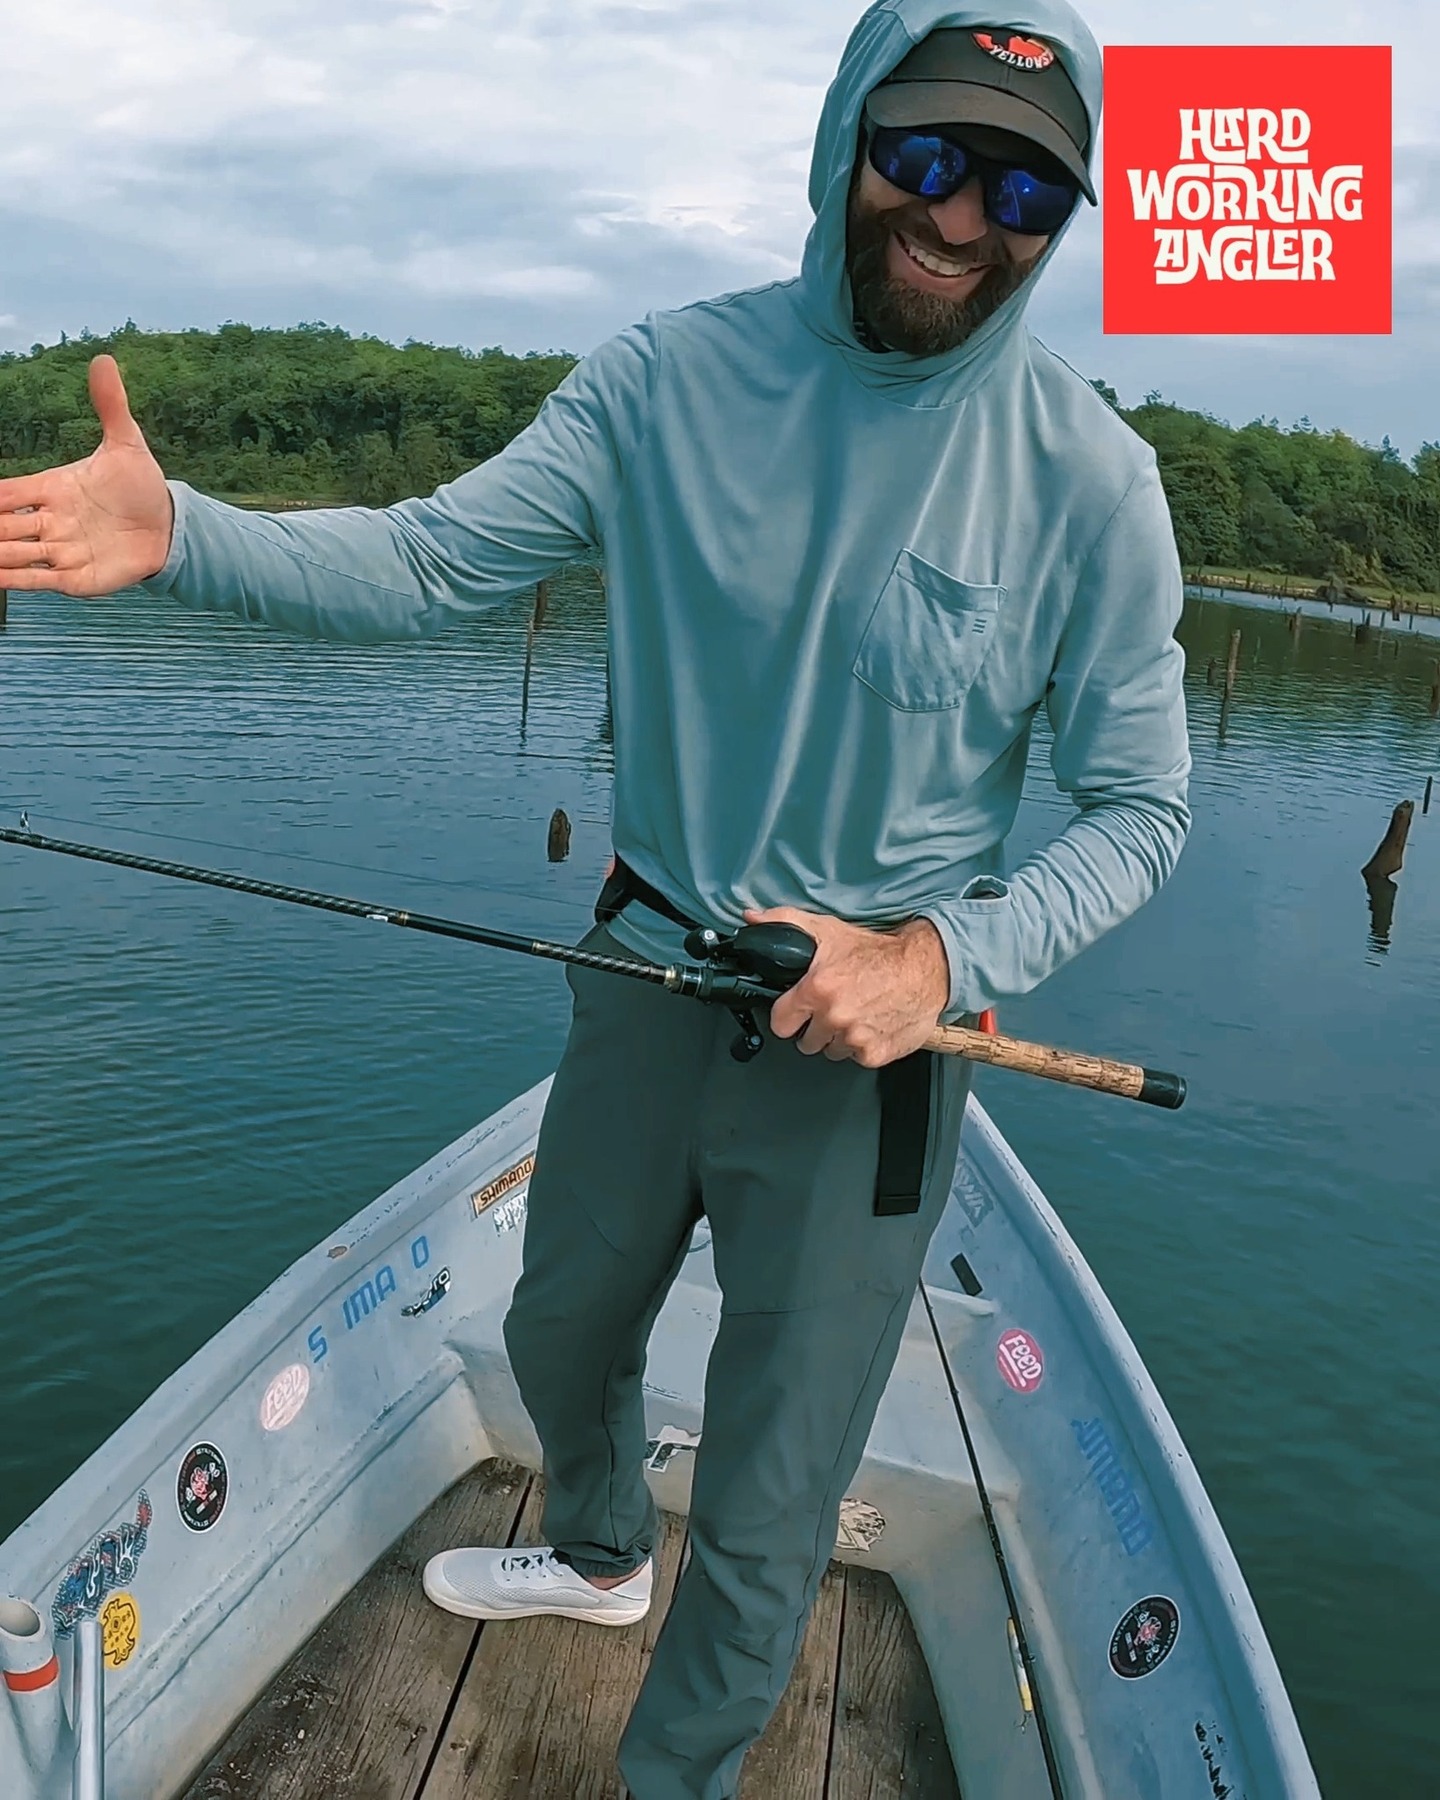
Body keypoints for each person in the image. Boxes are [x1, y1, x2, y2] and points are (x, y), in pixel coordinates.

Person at [0, 1, 1191, 1793]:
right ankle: (597, 1542)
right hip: (644, 965)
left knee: (785, 1488)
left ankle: (675, 1775)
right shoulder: (664, 377)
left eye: (1020, 185)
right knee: (561, 1318)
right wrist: (190, 537)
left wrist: (945, 948)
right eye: (925, 153)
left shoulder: (1097, 484)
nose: (960, 216)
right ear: (847, 141)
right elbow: (429, 559)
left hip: (867, 1053)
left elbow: (1142, 807)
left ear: (1065, 214)